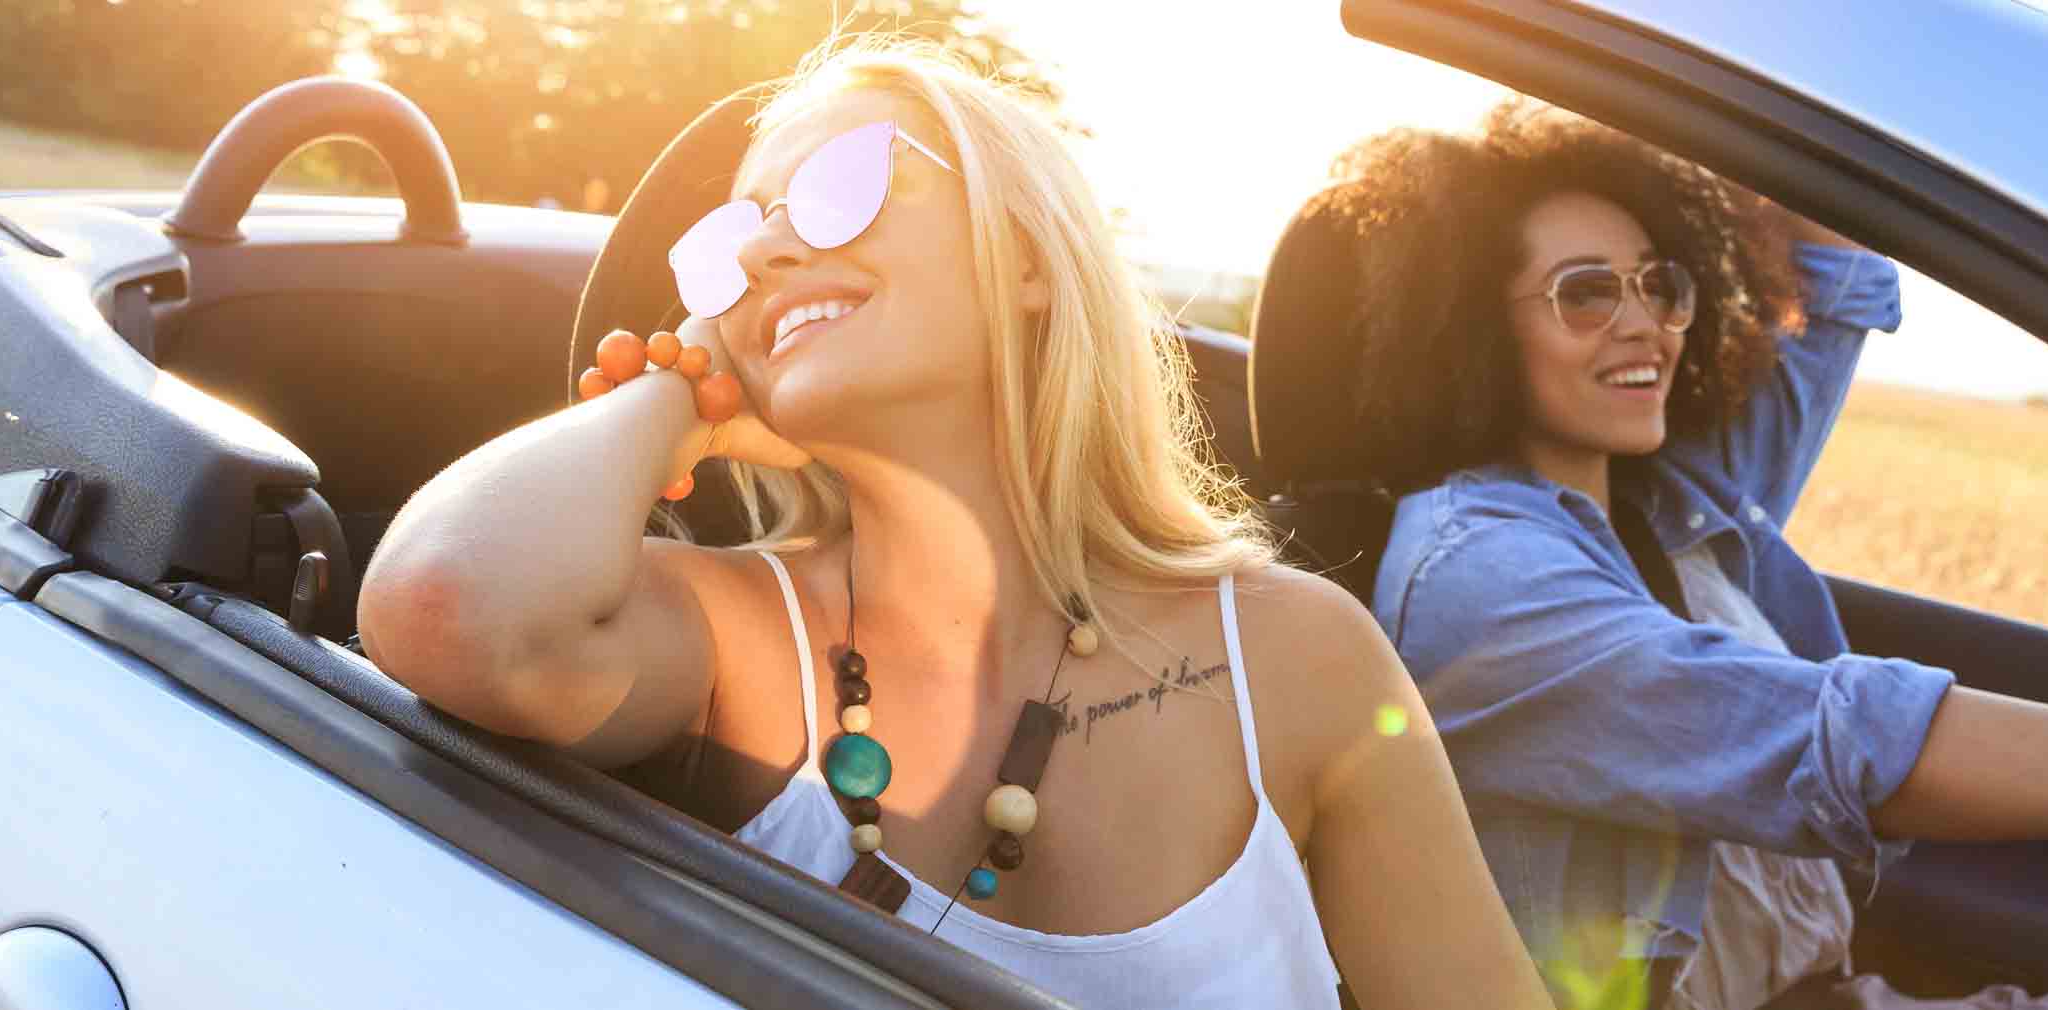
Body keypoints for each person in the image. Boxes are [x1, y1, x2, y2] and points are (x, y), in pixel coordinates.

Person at [356, 38, 1552, 1010]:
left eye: (838, 188)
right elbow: (449, 607)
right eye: (730, 242)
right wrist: (679, 390)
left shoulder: (1301, 656)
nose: (769, 245)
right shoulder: (728, 633)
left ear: (1027, 255)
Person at [1317, 104, 2048, 1010]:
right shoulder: (1480, 580)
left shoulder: (1672, 498)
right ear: (1472, 324)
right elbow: (1842, 739)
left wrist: (1720, 119)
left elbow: (1835, 283)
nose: (1646, 323)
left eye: (1661, 282)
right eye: (1588, 291)